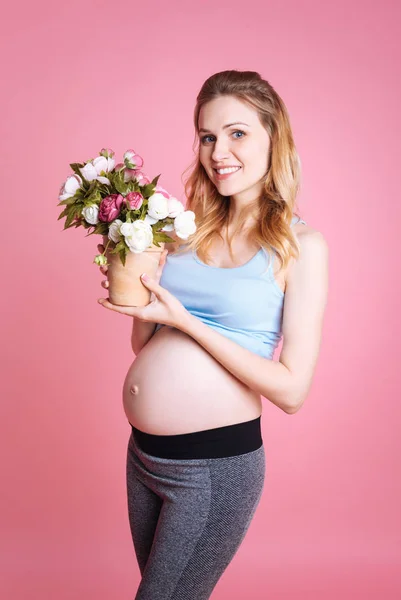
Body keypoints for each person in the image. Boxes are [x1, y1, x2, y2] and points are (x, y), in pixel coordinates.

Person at [97, 70, 329, 599]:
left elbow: (292, 391)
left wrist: (186, 321)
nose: (218, 150)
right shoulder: (184, 230)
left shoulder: (301, 246)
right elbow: (146, 348)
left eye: (237, 133)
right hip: (144, 458)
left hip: (212, 469)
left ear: (275, 137)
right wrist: (141, 288)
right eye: (207, 136)